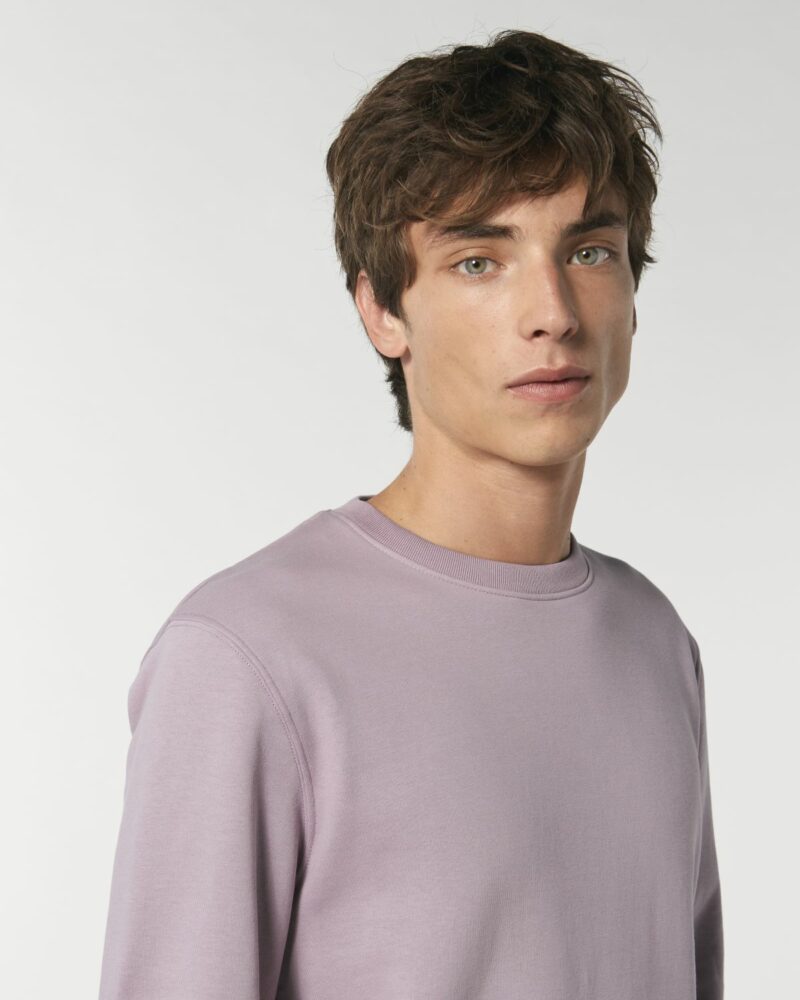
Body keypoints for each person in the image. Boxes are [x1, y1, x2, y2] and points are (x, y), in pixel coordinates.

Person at [97, 28, 724, 1000]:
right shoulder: (245, 655)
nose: (553, 311)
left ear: (632, 294)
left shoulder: (654, 641)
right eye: (479, 261)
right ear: (382, 311)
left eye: (589, 250)